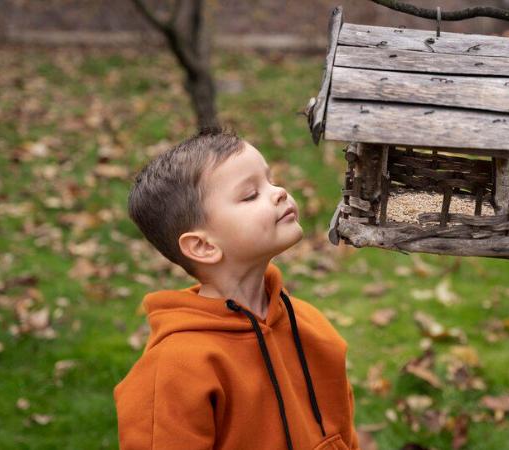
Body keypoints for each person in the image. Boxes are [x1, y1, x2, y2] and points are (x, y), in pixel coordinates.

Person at [114, 128, 359, 450]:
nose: (279, 192)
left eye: (270, 180)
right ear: (202, 246)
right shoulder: (175, 369)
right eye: (250, 195)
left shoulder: (310, 326)